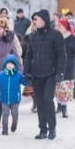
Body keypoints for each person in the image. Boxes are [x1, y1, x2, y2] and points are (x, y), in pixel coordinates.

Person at [23, 9, 65, 140]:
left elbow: (61, 56)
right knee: (40, 102)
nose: (35, 22)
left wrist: (60, 73)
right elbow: (28, 55)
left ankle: (52, 128)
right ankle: (42, 129)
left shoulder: (56, 35)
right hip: (37, 74)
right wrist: (27, 72)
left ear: (45, 20)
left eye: (37, 19)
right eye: (34, 20)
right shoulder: (33, 36)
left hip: (51, 74)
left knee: (47, 100)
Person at [0, 54, 27, 135]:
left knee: (15, 114)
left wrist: (29, 79)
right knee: (5, 114)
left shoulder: (18, 75)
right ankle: (4, 130)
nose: (10, 65)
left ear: (15, 65)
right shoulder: (1, 74)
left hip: (15, 99)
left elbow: (25, 82)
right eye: (8, 63)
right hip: (4, 99)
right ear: (5, 64)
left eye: (12, 64)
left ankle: (14, 125)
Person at [56, 19, 75, 117]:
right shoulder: (55, 38)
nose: (57, 27)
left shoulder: (72, 39)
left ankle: (64, 108)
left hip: (68, 67)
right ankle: (59, 105)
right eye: (57, 26)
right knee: (57, 88)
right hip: (56, 66)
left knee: (64, 88)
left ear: (65, 27)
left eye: (60, 26)